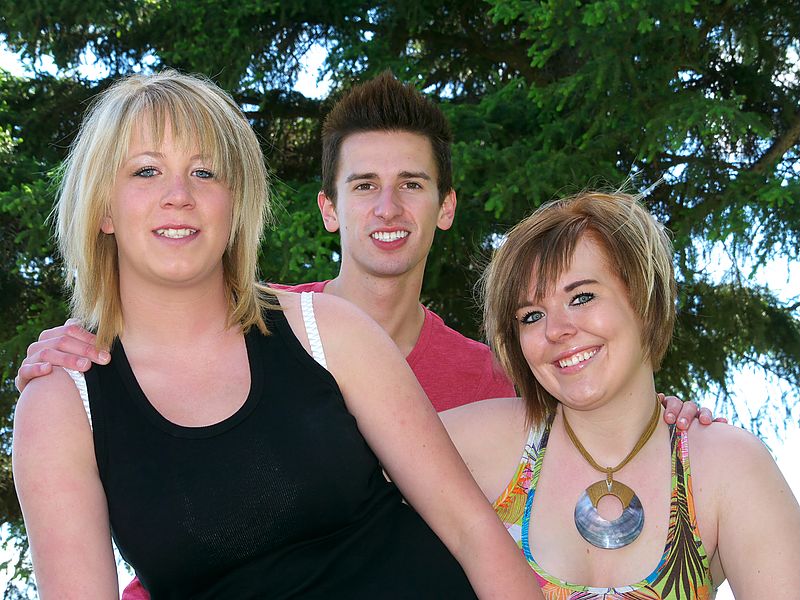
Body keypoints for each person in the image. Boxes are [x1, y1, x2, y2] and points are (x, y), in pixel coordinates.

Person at [11, 70, 544, 598]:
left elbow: (472, 530)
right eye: (146, 171)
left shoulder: (326, 331)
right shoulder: (62, 402)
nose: (179, 195)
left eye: (205, 173)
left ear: (235, 204)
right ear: (103, 206)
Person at [14, 72, 712, 428]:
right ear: (327, 209)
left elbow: (592, 439)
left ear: (445, 209)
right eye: (363, 186)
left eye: (411, 185)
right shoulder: (249, 333)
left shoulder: (495, 385)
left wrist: (662, 415)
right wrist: (81, 346)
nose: (387, 208)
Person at [439, 191, 800, 598]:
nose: (556, 329)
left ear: (644, 299)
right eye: (532, 316)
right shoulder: (486, 440)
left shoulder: (724, 465)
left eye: (582, 297)